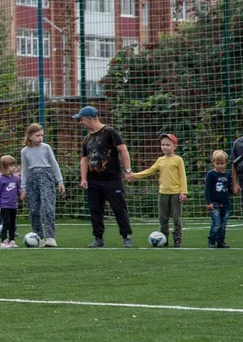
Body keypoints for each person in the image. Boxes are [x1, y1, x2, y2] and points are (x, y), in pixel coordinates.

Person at [75, 105, 134, 248]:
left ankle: (126, 237)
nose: (80, 122)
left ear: (90, 118)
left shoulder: (109, 132)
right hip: (93, 180)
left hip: (112, 179)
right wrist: (83, 178)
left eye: (81, 119)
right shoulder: (87, 138)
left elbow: (123, 149)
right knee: (95, 209)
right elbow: (84, 159)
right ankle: (98, 238)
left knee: (119, 208)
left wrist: (128, 170)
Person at [127, 133, 188, 247]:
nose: (164, 147)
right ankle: (163, 238)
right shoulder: (160, 160)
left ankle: (177, 239)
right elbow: (150, 171)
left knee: (176, 218)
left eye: (167, 145)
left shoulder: (178, 160)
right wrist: (134, 175)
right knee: (162, 218)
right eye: (162, 145)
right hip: (163, 193)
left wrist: (183, 192)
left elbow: (182, 176)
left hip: (175, 193)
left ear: (174, 146)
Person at [20, 123, 65, 247]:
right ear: (29, 136)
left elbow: (54, 164)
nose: (40, 138)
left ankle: (50, 237)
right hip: (32, 180)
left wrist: (60, 181)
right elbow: (24, 170)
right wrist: (23, 188)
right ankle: (38, 237)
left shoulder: (46, 148)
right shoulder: (24, 151)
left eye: (42, 135)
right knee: (34, 210)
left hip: (46, 177)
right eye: (37, 135)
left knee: (47, 207)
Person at [205, 149, 233, 249]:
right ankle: (211, 240)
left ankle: (221, 241)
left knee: (223, 225)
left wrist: (234, 190)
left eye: (222, 163)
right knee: (216, 223)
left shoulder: (228, 175)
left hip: (225, 204)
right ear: (213, 163)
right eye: (217, 163)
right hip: (215, 204)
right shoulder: (211, 175)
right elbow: (207, 189)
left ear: (226, 163)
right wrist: (209, 202)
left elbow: (229, 188)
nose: (220, 166)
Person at [0, 155, 21, 248]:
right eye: (11, 166)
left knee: (13, 223)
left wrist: (21, 195)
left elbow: (18, 190)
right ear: (4, 167)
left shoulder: (15, 178)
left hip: (13, 205)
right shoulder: (1, 179)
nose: (14, 168)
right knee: (6, 222)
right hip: (4, 205)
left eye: (14, 165)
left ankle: (12, 240)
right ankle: (3, 241)